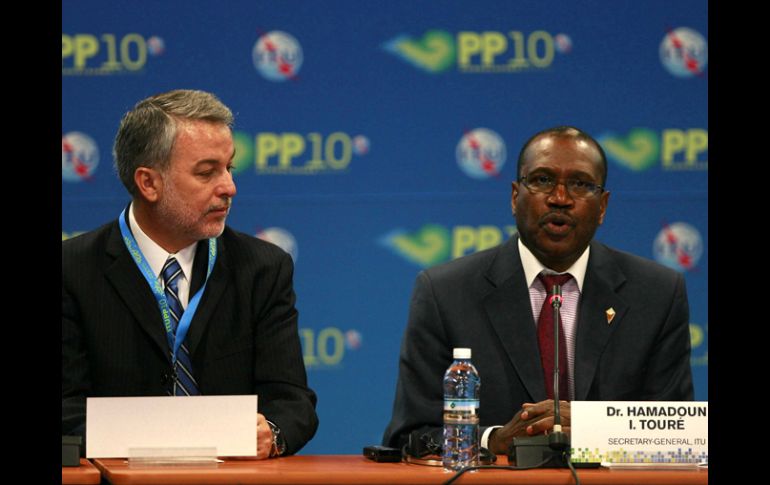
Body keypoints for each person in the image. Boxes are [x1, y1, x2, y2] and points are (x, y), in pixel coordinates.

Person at [382, 126, 693, 455]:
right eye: (543, 180)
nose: (560, 198)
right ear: (515, 197)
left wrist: (590, 427)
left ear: (602, 206)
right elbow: (410, 435)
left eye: (580, 184)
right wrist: (493, 440)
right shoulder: (445, 293)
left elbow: (678, 434)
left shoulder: (657, 294)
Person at [62, 89, 318, 458]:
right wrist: (167, 443)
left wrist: (272, 433)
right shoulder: (73, 270)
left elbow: (293, 403)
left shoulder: (263, 267)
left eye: (229, 167)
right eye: (207, 172)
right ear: (149, 183)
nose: (229, 187)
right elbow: (67, 412)